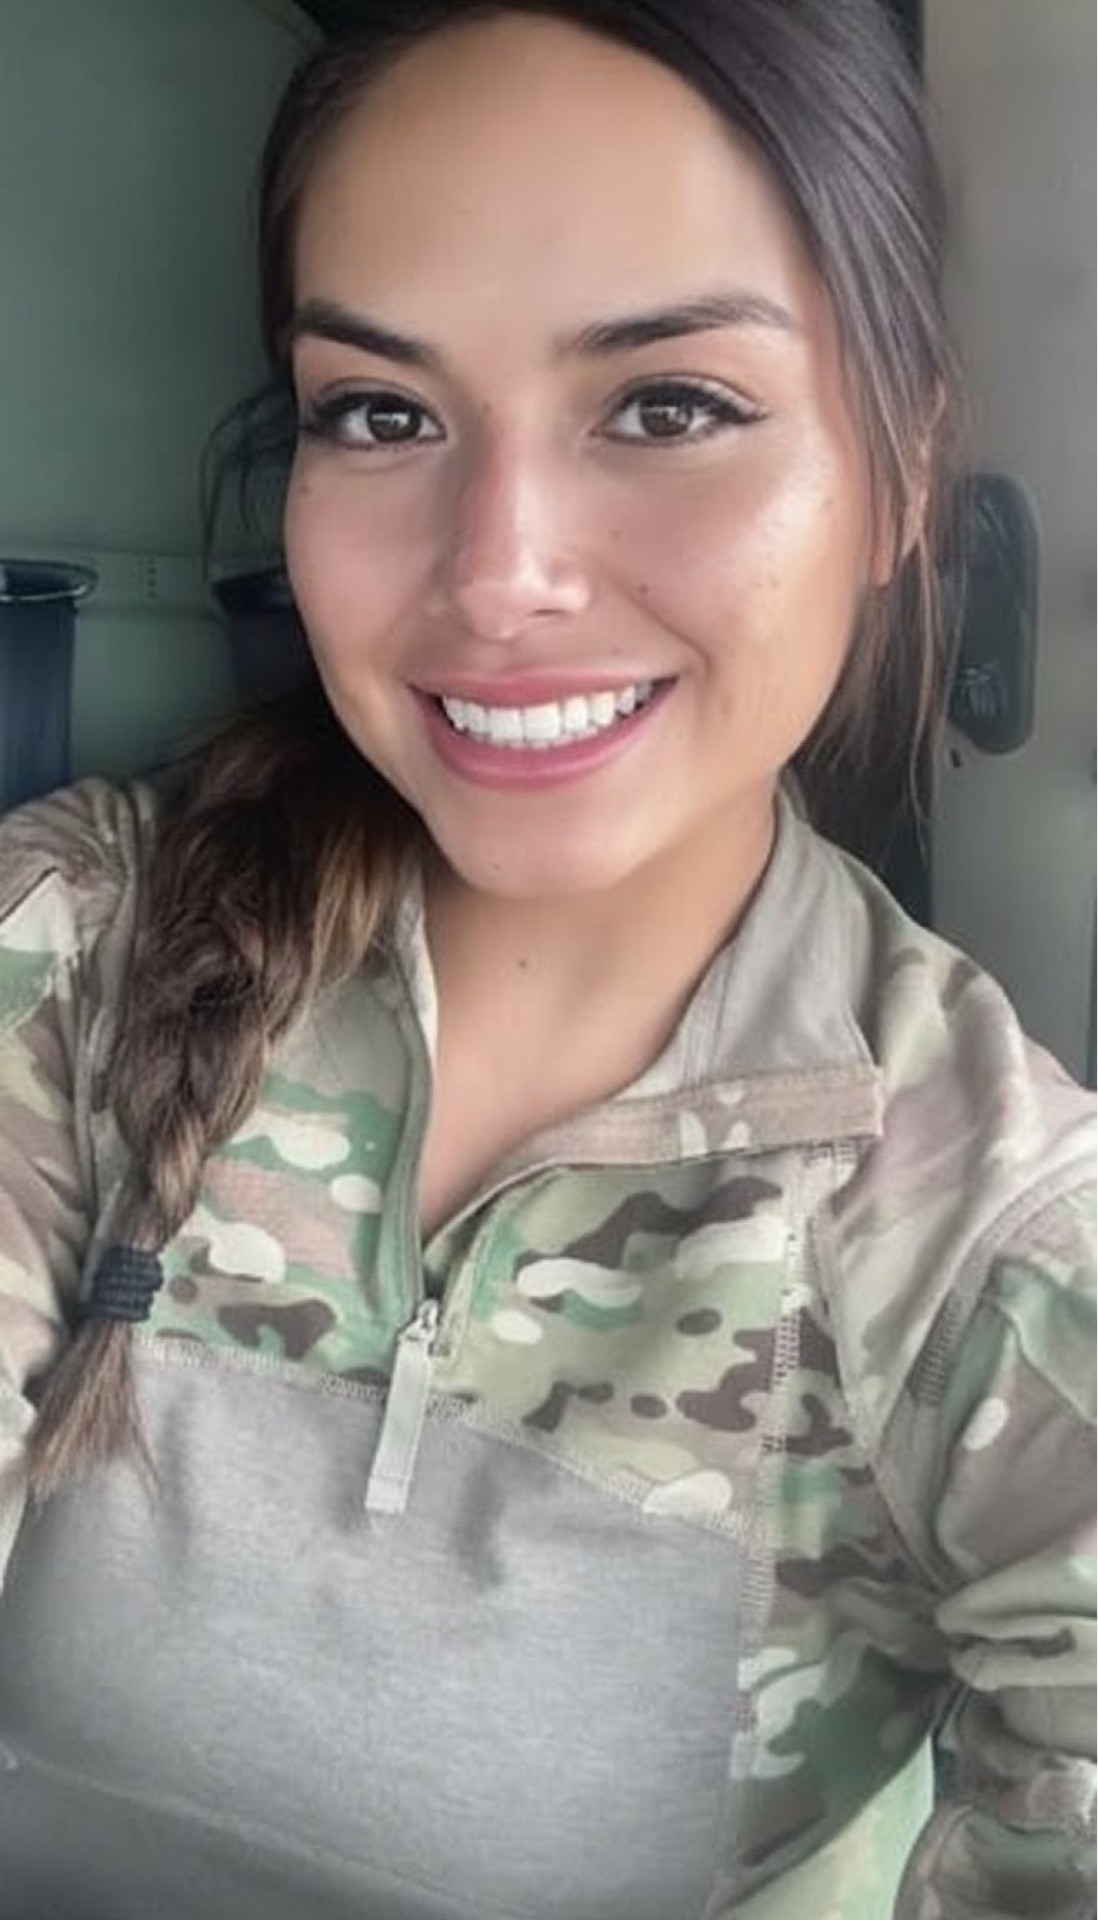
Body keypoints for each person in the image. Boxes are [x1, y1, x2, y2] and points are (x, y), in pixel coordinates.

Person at [0, 2, 1093, 1915]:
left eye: (667, 406)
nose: (499, 573)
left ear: (902, 471)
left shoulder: (983, 1245)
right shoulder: (77, 941)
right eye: (380, 412)